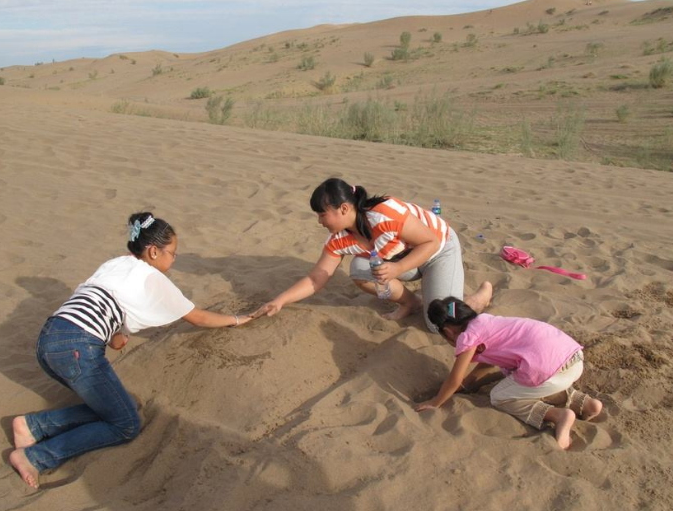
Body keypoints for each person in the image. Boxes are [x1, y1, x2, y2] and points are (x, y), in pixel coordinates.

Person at [9, 212, 252, 489]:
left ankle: (32, 427)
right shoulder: (152, 277)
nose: (173, 260)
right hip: (78, 348)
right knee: (125, 425)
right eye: (172, 253)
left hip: (49, 341)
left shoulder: (115, 264)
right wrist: (236, 320)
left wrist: (118, 335)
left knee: (124, 406)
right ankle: (36, 456)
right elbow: (198, 317)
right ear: (153, 251)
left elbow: (111, 331)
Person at [252, 177, 492, 331]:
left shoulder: (385, 213)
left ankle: (479, 297)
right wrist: (280, 300)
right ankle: (411, 302)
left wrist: (397, 269)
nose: (319, 221)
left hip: (438, 250)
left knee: (439, 323)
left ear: (344, 208)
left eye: (322, 214)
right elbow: (316, 278)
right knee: (359, 269)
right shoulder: (339, 239)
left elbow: (429, 241)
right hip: (403, 257)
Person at [416, 297, 603, 449]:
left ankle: (558, 415)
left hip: (548, 371)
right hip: (573, 358)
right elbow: (488, 364)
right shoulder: (487, 321)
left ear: (448, 332)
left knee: (499, 396)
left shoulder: (467, 337)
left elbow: (454, 379)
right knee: (526, 378)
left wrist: (435, 402)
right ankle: (584, 403)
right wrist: (470, 383)